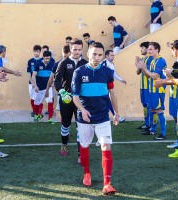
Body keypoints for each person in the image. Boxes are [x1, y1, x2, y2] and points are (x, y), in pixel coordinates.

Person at [72, 42, 119, 195]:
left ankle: (107, 184)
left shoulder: (107, 71)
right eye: (94, 54)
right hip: (84, 118)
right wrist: (83, 110)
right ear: (88, 54)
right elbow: (75, 97)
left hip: (103, 117)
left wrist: (116, 113)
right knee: (84, 146)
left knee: (106, 146)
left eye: (100, 55)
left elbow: (112, 93)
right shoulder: (79, 72)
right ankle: (86, 172)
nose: (97, 58)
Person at [54, 39, 88, 156]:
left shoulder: (85, 63)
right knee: (66, 124)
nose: (77, 52)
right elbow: (57, 80)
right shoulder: (63, 63)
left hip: (80, 100)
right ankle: (64, 146)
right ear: (70, 49)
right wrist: (62, 91)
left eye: (79, 49)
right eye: (75, 49)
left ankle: (80, 153)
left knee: (81, 126)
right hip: (66, 99)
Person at [135, 42, 167, 140]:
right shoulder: (153, 60)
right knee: (153, 109)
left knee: (159, 110)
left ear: (157, 49)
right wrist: (140, 67)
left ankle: (163, 133)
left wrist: (144, 67)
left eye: (150, 49)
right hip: (151, 88)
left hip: (158, 89)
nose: (149, 51)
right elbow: (148, 75)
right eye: (148, 49)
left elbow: (155, 76)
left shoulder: (161, 61)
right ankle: (152, 129)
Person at [31, 51, 55, 124]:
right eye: (46, 58)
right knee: (37, 102)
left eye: (48, 58)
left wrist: (53, 83)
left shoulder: (52, 64)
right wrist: (35, 86)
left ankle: (50, 118)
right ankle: (36, 115)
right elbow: (33, 76)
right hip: (40, 87)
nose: (47, 60)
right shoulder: (38, 64)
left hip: (49, 87)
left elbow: (53, 75)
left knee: (50, 101)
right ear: (43, 57)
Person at [167, 40, 178, 148]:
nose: (171, 52)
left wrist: (166, 78)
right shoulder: (177, 61)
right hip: (173, 94)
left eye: (172, 50)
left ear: (176, 50)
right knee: (175, 118)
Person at [104, 50, 126, 122]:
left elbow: (114, 74)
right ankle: (114, 115)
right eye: (111, 55)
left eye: (113, 55)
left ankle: (115, 115)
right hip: (104, 83)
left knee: (111, 98)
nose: (113, 57)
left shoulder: (112, 64)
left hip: (110, 82)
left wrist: (121, 79)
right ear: (107, 56)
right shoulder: (104, 63)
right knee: (107, 99)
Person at [136, 42, 153, 134]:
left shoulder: (150, 60)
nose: (141, 50)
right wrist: (139, 64)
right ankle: (146, 123)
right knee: (145, 106)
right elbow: (138, 72)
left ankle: (151, 125)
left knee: (150, 106)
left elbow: (149, 75)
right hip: (142, 86)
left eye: (142, 48)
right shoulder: (143, 59)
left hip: (148, 87)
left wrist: (142, 66)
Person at [27, 45, 42, 116]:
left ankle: (39, 112)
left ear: (40, 52)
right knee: (32, 98)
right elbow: (29, 73)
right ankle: (34, 111)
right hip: (31, 83)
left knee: (39, 98)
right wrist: (33, 83)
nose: (37, 53)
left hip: (40, 83)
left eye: (38, 51)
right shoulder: (30, 61)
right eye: (35, 51)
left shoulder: (42, 61)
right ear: (33, 52)